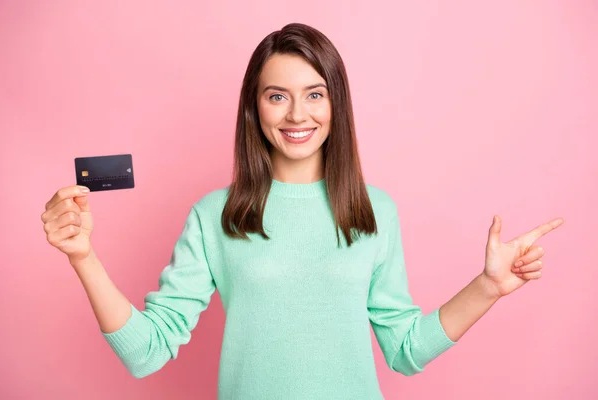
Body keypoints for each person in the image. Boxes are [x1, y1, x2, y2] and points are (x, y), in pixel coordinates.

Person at [40, 23, 564, 399]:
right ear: (255, 107)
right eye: (276, 96)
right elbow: (146, 352)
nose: (297, 114)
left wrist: (488, 287)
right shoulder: (214, 216)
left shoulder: (374, 211)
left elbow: (406, 349)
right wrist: (83, 257)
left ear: (336, 104)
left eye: (315, 94)